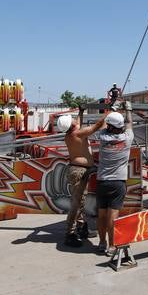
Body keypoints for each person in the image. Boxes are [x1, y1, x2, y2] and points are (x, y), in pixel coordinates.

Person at [83, 101, 133, 255]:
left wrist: (113, 108)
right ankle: (112, 246)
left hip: (102, 182)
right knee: (113, 217)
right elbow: (129, 122)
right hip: (118, 183)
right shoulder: (127, 138)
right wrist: (128, 109)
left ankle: (102, 242)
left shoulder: (103, 137)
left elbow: (104, 123)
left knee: (102, 215)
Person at [59, 114, 96, 248]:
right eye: (73, 119)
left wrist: (81, 112)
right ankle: (70, 234)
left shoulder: (70, 134)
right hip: (79, 171)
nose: (75, 119)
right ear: (72, 124)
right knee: (76, 205)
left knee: (80, 202)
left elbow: (77, 124)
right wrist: (109, 113)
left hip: (79, 170)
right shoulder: (78, 134)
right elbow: (96, 127)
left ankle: (82, 229)